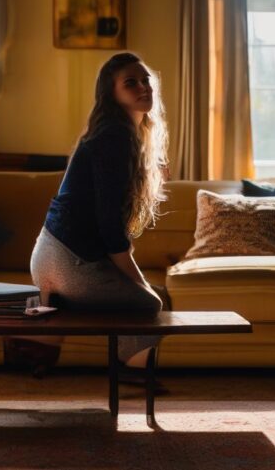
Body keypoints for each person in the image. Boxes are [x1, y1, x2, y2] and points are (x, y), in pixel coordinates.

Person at [27, 52, 169, 371]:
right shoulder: (114, 137)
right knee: (151, 303)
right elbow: (109, 227)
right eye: (130, 82)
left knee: (151, 295)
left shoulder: (119, 134)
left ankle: (53, 332)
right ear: (112, 93)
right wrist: (139, 282)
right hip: (69, 261)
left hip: (51, 253)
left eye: (145, 80)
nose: (143, 87)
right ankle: (129, 371)